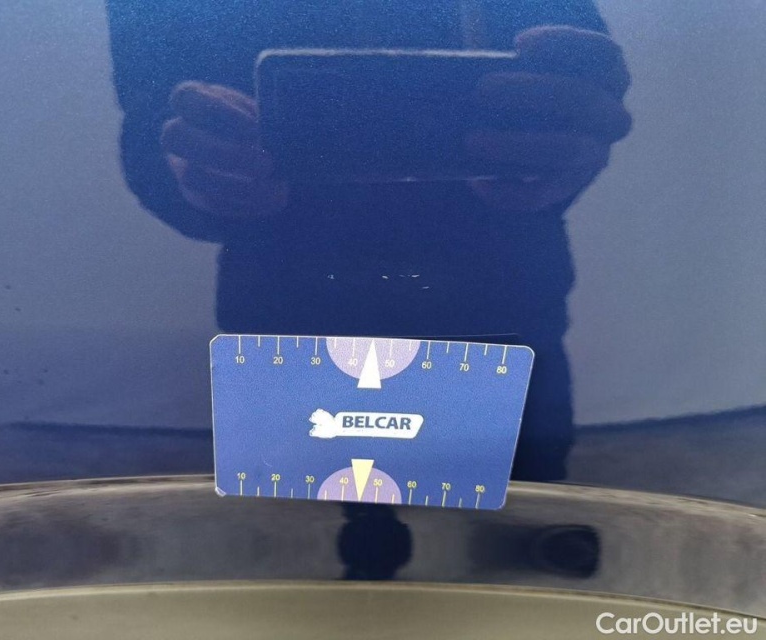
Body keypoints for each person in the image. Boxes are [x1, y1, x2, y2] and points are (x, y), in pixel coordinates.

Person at [106, 0, 631, 482]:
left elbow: (153, 115)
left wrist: (578, 111)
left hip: (304, 296)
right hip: (477, 290)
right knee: (504, 526)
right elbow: (152, 121)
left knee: (322, 531)